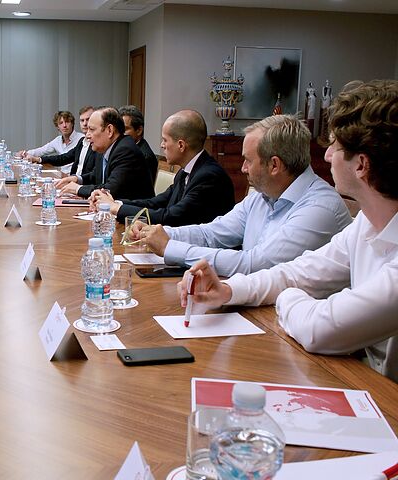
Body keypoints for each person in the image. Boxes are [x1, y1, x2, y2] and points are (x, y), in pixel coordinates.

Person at [178, 79, 398, 382]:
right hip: (361, 379)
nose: (327, 156)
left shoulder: (329, 208)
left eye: (335, 145)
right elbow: (296, 272)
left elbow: (321, 328)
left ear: (361, 165)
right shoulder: (366, 224)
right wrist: (227, 291)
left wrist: (289, 297)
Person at [132, 114, 352, 277]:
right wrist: (159, 233)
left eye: (248, 160)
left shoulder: (319, 208)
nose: (244, 168)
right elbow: (212, 234)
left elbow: (254, 265)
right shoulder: (262, 196)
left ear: (274, 165)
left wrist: (170, 247)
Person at [91, 110, 234, 225]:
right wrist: (115, 203)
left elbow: (172, 217)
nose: (161, 145)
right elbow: (157, 202)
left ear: (181, 145)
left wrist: (117, 208)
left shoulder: (209, 176)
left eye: (165, 140)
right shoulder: (186, 171)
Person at [56, 107, 154, 200]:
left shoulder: (126, 150)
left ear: (109, 130)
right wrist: (77, 179)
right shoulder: (103, 147)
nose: (87, 135)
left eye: (92, 130)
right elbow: (95, 175)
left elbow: (110, 189)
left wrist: (78, 189)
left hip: (133, 215)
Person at [25, 106, 98, 176]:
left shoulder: (91, 141)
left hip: (80, 182)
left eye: (88, 119)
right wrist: (37, 158)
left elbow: (93, 174)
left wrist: (76, 179)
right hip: (70, 179)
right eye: (82, 120)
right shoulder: (82, 141)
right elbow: (63, 158)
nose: (85, 124)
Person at [19, 110, 83, 160]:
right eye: (61, 123)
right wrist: (24, 153)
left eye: (67, 122)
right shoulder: (58, 140)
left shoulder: (82, 138)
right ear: (57, 127)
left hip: (76, 175)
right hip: (62, 174)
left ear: (72, 124)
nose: (64, 125)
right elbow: (41, 150)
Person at [118, 105, 158, 183]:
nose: (120, 134)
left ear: (139, 130)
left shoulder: (145, 157)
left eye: (125, 129)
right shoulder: (125, 149)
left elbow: (143, 191)